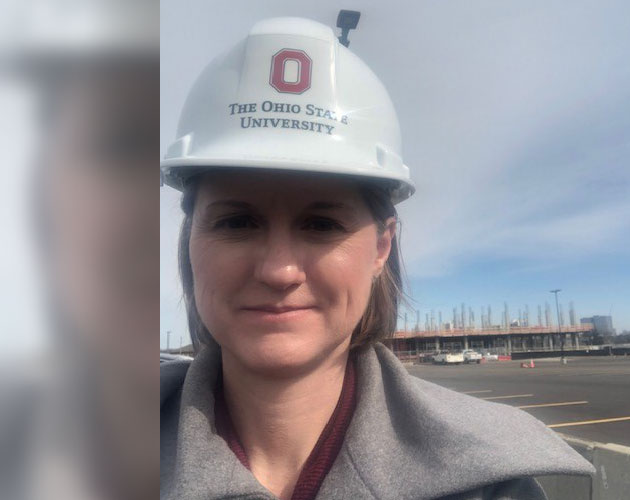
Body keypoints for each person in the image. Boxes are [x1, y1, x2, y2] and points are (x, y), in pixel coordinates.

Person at [160, 16, 593, 500]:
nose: (278, 270)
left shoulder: (493, 488)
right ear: (189, 240)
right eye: (237, 223)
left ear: (381, 248)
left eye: (322, 225)